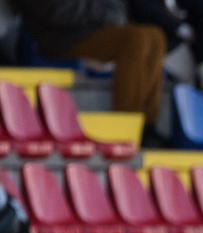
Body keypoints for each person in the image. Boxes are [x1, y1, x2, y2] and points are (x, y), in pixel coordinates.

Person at [10, 0, 168, 144]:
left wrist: (105, 15)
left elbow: (117, 7)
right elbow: (58, 13)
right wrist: (102, 13)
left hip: (94, 28)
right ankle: (127, 122)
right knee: (136, 40)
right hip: (61, 39)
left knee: (155, 37)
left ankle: (147, 124)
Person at [126, 0, 203, 93]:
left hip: (184, 44)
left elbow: (200, 8)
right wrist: (179, 28)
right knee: (191, 74)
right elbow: (145, 12)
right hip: (156, 44)